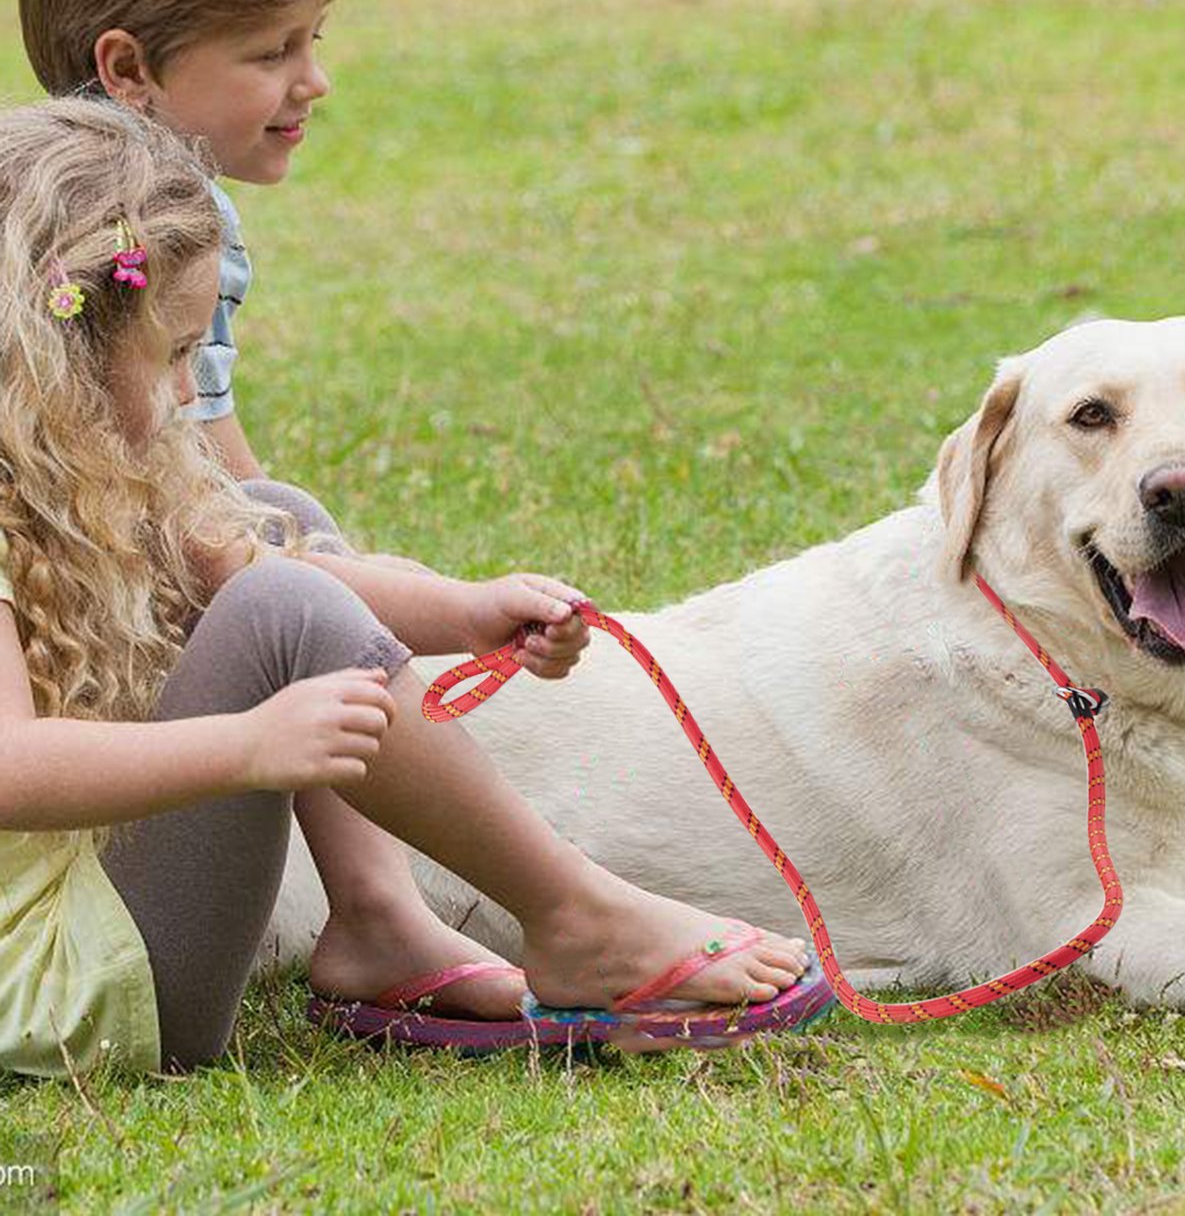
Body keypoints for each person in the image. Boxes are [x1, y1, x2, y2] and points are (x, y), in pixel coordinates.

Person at [0, 99, 822, 1077]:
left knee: (268, 512)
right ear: (64, 349)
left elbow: (271, 567)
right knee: (275, 609)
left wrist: (466, 613)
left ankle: (381, 918)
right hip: (66, 986)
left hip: (105, 905)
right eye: (175, 354)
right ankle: (571, 912)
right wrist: (247, 744)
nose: (192, 393)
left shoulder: (88, 466)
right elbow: (12, 767)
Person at [16, 0, 545, 1037]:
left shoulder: (139, 228)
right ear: (128, 70)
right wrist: (271, 707)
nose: (314, 79)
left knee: (280, 540)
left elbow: (214, 500)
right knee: (279, 574)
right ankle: (496, 910)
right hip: (73, 936)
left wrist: (440, 602)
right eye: (272, 48)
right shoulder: (98, 248)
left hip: (106, 734)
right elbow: (216, 521)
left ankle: (375, 908)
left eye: (315, 37)